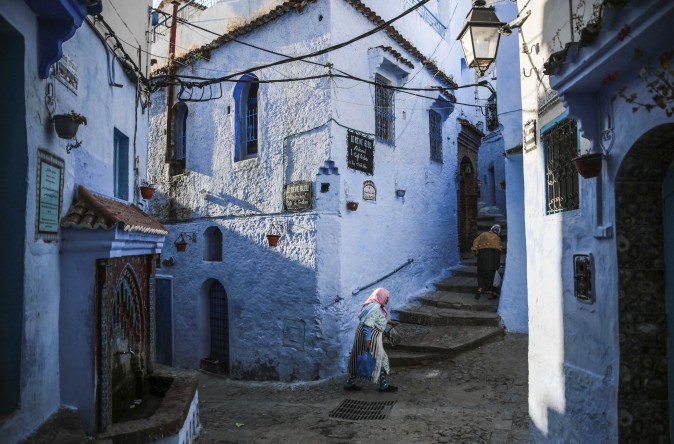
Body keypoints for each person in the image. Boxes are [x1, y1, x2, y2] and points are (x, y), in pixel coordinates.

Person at [343, 288, 399, 393]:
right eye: (386, 297)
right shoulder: (375, 308)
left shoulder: (371, 306)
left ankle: (350, 383)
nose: (387, 300)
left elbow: (375, 319)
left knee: (359, 358)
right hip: (370, 337)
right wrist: (367, 341)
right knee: (380, 358)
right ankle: (384, 385)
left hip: (362, 335)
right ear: (381, 297)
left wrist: (390, 322)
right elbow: (368, 324)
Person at [471, 224, 503, 300]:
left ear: (491, 229)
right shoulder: (497, 238)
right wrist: (497, 265)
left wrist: (475, 251)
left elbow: (475, 241)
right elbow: (497, 252)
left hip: (481, 258)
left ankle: (480, 288)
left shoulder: (483, 234)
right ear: (498, 231)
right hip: (492, 260)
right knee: (493, 276)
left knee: (481, 273)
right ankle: (493, 294)